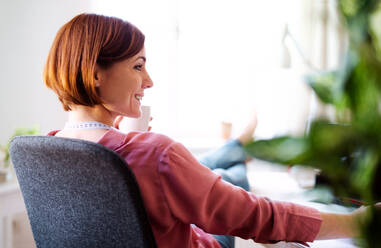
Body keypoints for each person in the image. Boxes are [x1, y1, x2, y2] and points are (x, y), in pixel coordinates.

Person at [44, 13, 368, 248]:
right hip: (207, 241)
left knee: (219, 174)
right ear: (95, 73)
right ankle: (238, 148)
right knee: (232, 180)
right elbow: (257, 216)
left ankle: (236, 148)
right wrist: (359, 222)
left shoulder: (48, 150)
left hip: (178, 214)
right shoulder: (154, 154)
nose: (149, 81)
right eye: (138, 66)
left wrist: (123, 131)